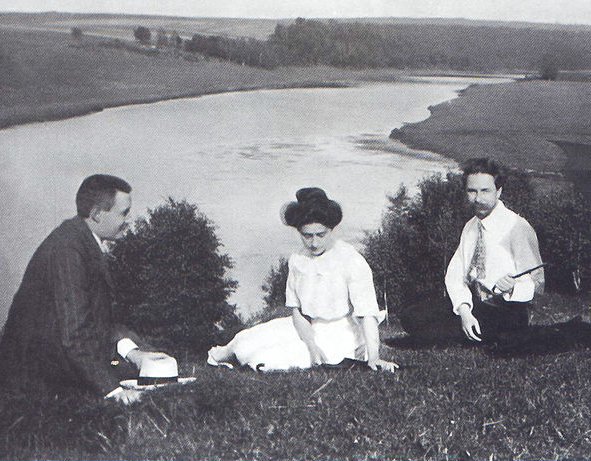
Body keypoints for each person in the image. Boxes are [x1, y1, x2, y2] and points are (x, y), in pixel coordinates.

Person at [0, 174, 175, 405]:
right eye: (123, 213)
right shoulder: (68, 249)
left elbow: (97, 321)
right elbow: (74, 334)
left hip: (56, 366)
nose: (128, 221)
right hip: (35, 382)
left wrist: (134, 355)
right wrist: (114, 392)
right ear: (98, 214)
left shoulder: (81, 239)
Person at [207, 187, 398, 372]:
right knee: (245, 343)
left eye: (320, 235)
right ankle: (222, 355)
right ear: (299, 232)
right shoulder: (298, 260)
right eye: (307, 236)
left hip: (342, 334)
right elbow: (297, 311)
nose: (314, 243)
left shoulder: (351, 260)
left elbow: (367, 313)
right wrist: (311, 345)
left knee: (266, 359)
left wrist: (374, 356)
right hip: (307, 328)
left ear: (331, 229)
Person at [400, 158, 544, 344]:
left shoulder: (517, 227)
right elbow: (455, 274)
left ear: (498, 192)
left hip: (506, 308)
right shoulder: (471, 227)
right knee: (411, 316)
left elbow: (538, 283)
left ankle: (467, 335)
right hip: (476, 304)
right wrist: (465, 312)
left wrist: (513, 288)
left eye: (485, 191)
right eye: (472, 191)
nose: (478, 199)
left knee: (439, 331)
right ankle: (464, 331)